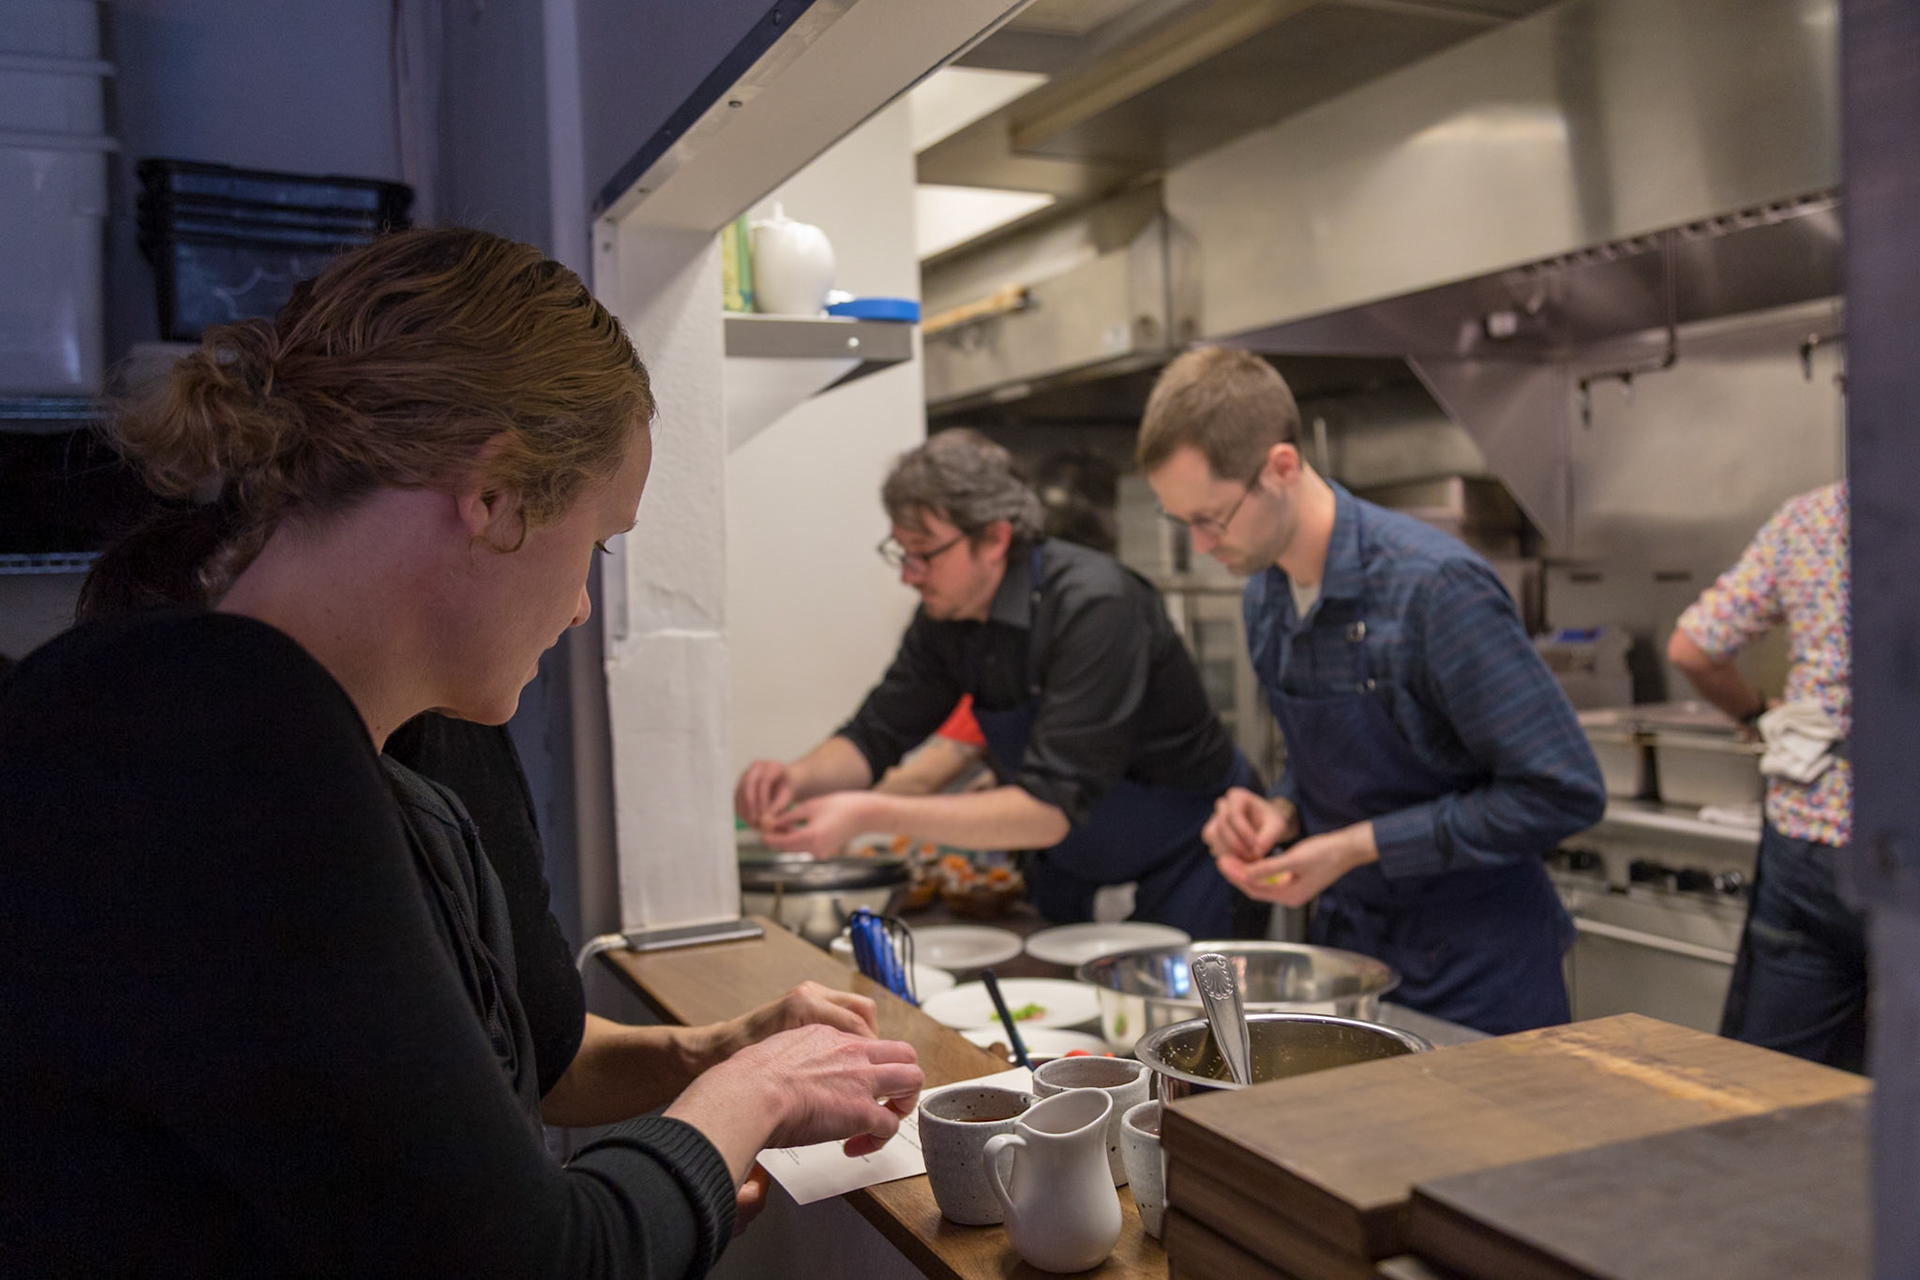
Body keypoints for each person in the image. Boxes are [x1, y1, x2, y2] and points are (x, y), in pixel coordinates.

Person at [0, 228, 922, 1277]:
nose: (581, 603)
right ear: (494, 495)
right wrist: (750, 1095)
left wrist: (726, 1054)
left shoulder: (269, 721)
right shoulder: (221, 728)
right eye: (598, 543)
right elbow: (535, 1260)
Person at [1138, 347, 1606, 1035]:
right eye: (1184, 524)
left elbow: (1563, 790)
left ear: (1282, 468)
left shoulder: (1433, 589)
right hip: (1352, 960)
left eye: (1212, 518)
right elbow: (1322, 755)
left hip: (1479, 968)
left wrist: (1355, 846)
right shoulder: (1266, 595)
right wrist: (1282, 811)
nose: (1203, 545)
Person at [734, 429, 1262, 939]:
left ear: (995, 538)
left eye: (924, 552)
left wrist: (868, 811)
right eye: (901, 552)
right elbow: (876, 733)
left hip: (1191, 858)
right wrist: (796, 778)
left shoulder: (1096, 606)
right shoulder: (947, 617)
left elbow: (1047, 808)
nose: (909, 575)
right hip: (1076, 866)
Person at [1667, 481, 1861, 1070]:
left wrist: (1757, 712)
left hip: (1807, 836)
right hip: (1898, 849)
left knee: (1780, 1083)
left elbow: (1691, 649)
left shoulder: (1817, 515)